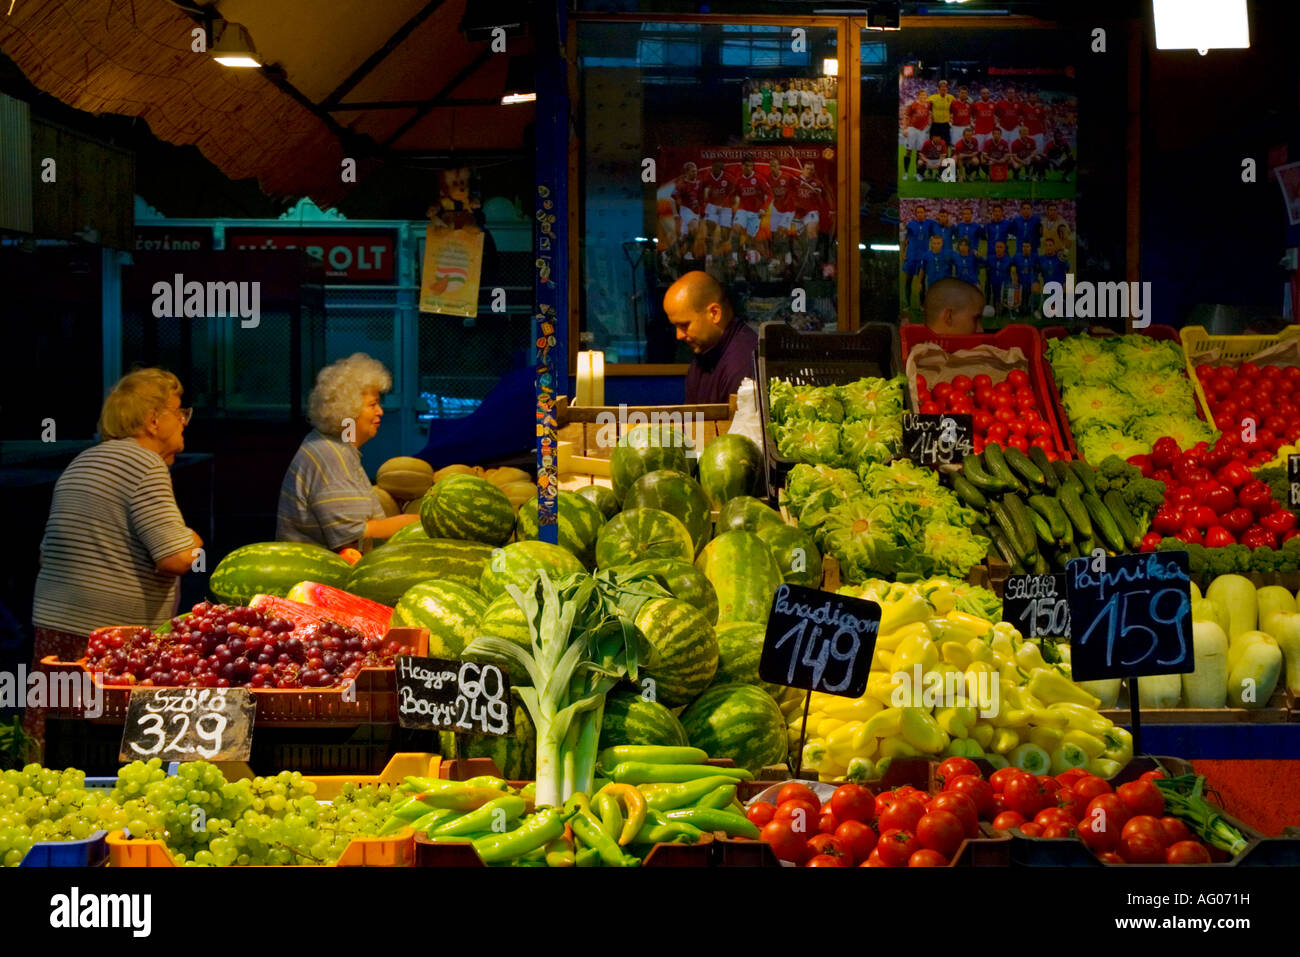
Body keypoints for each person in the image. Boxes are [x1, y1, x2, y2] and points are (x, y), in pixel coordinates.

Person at [29, 368, 203, 753]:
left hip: (54, 628)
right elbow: (175, 557)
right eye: (180, 411)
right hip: (106, 638)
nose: (185, 421)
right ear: (154, 420)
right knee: (107, 753)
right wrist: (195, 539)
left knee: (57, 747)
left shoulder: (84, 461)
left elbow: (48, 550)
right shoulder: (144, 465)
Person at [277, 353, 420, 550]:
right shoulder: (331, 457)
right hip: (318, 575)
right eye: (373, 404)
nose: (380, 411)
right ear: (348, 410)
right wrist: (418, 521)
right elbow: (353, 534)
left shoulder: (332, 446)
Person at [663, 271, 757, 405]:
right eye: (675, 326)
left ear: (714, 313)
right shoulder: (706, 352)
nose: (679, 335)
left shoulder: (744, 365)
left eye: (684, 325)